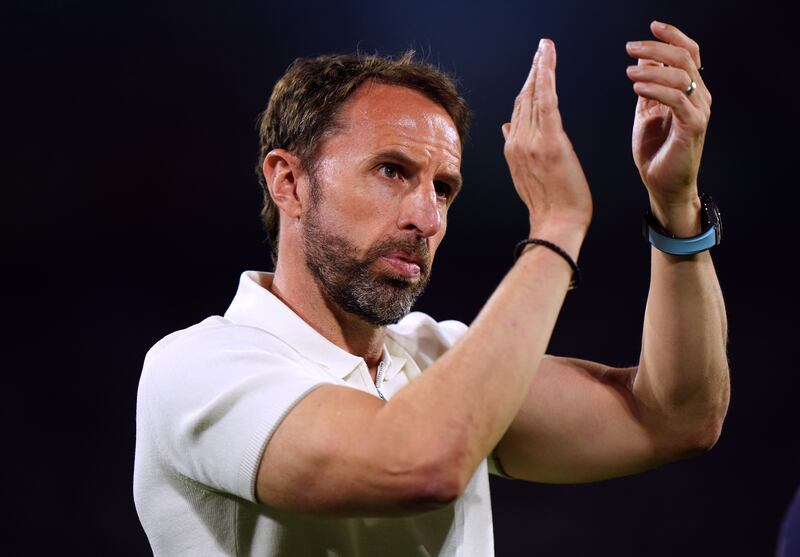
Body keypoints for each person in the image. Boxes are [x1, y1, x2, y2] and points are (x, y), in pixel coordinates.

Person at [134, 20, 730, 556]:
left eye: (443, 188)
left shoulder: (434, 357)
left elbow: (675, 418)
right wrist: (556, 229)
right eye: (392, 171)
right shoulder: (198, 366)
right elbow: (417, 464)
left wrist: (675, 204)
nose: (428, 217)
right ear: (288, 181)